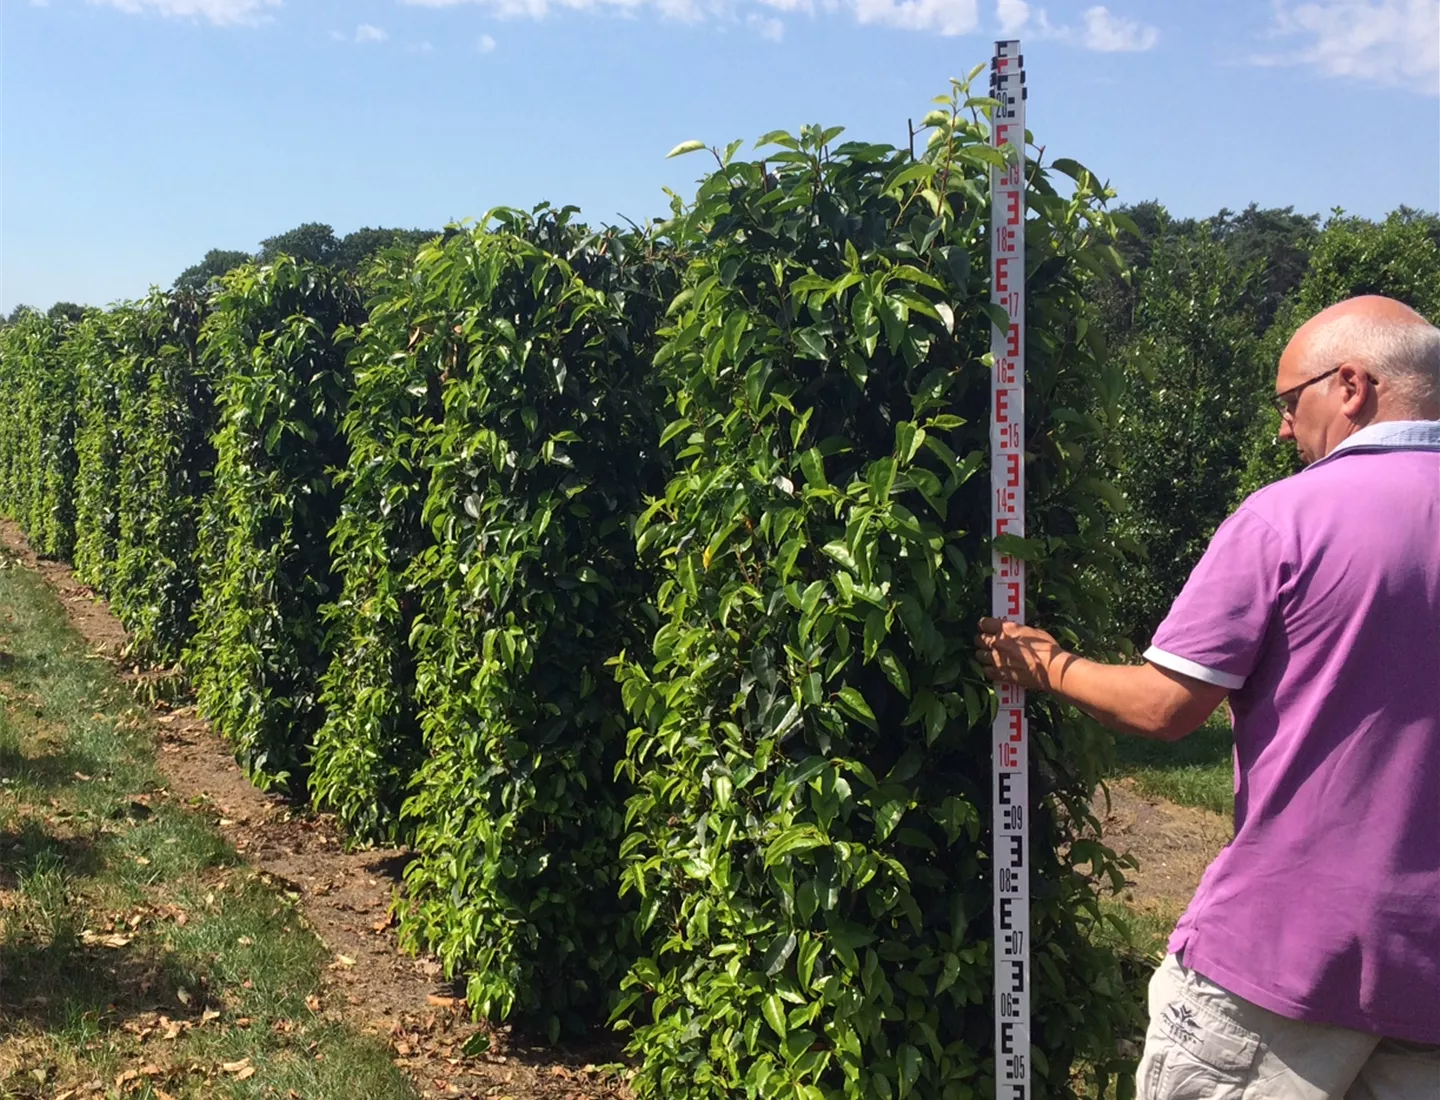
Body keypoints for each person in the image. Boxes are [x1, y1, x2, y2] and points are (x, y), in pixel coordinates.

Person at [975, 295, 1440, 1100]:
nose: (1283, 430)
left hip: (1287, 954)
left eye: (1291, 402)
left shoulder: (1288, 518)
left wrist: (1044, 664)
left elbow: (1165, 707)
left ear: (1353, 385)